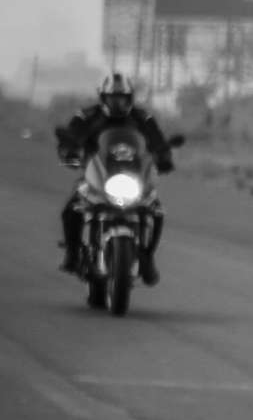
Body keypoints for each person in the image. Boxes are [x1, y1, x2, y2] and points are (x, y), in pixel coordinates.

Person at [56, 73, 175, 285]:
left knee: (156, 210)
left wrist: (164, 156)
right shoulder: (87, 116)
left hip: (134, 176)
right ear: (103, 97)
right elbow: (71, 137)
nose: (117, 103)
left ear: (130, 98)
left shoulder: (142, 118)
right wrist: (68, 151)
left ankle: (147, 257)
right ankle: (72, 254)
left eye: (122, 98)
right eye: (113, 98)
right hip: (97, 175)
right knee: (72, 209)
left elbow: (157, 139)